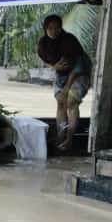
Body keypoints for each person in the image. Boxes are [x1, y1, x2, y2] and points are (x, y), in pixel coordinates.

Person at [37, 14, 92, 151]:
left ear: (61, 28)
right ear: (45, 29)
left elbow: (78, 67)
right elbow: (47, 60)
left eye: (57, 28)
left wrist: (67, 89)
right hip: (61, 75)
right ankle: (60, 137)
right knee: (61, 103)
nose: (53, 31)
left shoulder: (69, 41)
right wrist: (54, 67)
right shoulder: (43, 43)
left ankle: (69, 139)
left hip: (79, 74)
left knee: (71, 101)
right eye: (50, 28)